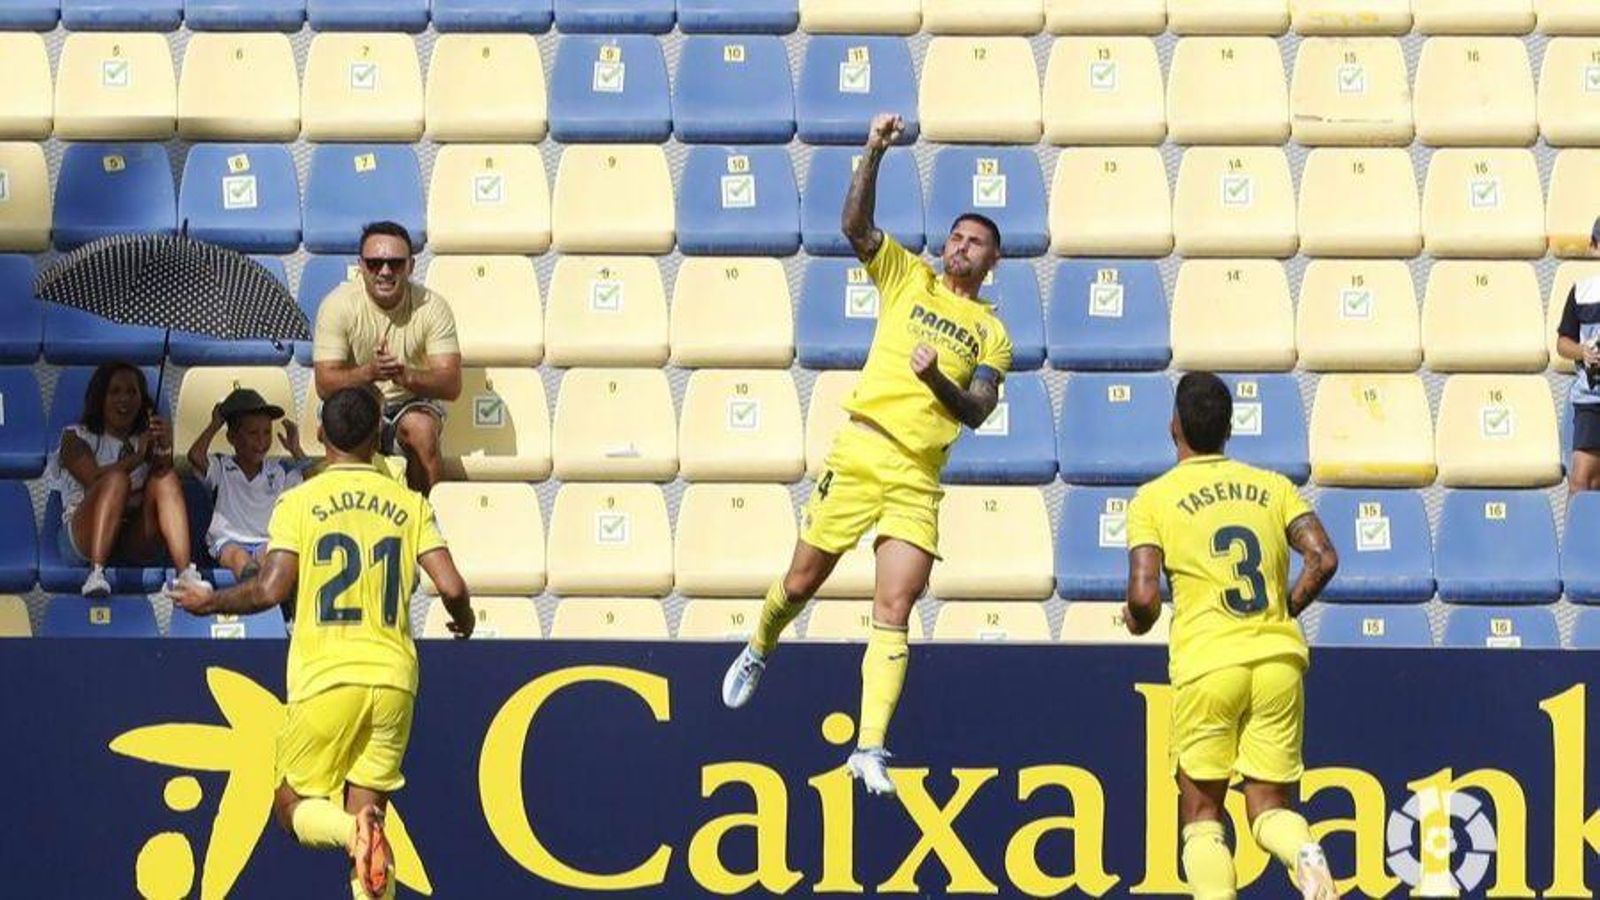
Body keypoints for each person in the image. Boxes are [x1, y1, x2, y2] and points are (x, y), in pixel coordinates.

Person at [720, 112, 1014, 796]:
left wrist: (935, 376)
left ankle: (870, 746)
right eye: (958, 237)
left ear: (994, 260)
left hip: (916, 473)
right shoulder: (908, 276)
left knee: (895, 606)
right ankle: (761, 644)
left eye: (976, 243)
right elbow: (854, 227)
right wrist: (874, 150)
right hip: (861, 450)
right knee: (799, 584)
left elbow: (975, 410)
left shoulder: (992, 334)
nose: (962, 247)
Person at [169, 386, 475, 899]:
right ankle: (363, 832)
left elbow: (270, 589)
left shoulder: (299, 502)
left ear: (318, 434)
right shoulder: (407, 503)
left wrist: (210, 603)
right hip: (395, 679)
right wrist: (462, 618)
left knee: (291, 805)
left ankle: (349, 832)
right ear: (376, 435)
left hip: (326, 677)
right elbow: (452, 587)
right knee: (370, 812)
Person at [1122, 372, 1340, 900]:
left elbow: (1145, 597)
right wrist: (1284, 607)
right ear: (1228, 429)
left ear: (1174, 425)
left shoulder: (1153, 499)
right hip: (1277, 662)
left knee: (1201, 817)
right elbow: (1323, 557)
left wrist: (1135, 620)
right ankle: (1304, 853)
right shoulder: (1273, 487)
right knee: (1269, 810)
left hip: (1208, 665)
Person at [313, 221, 462, 494]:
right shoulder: (338, 305)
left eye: (395, 263)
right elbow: (324, 384)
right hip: (355, 399)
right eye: (374, 263)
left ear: (411, 266)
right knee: (342, 426)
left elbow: (451, 384)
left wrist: (405, 376)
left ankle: (429, 521)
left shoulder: (433, 307)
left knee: (422, 429)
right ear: (360, 265)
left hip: (410, 402)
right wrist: (369, 373)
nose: (384, 271)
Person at [46, 361, 198, 598]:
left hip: (131, 537)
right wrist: (138, 458)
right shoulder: (75, 436)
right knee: (116, 480)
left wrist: (164, 448)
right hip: (83, 536)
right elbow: (95, 481)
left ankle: (186, 576)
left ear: (142, 400)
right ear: (100, 398)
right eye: (114, 391)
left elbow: (161, 495)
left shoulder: (147, 439)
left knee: (166, 477)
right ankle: (96, 574)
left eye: (132, 392)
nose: (124, 399)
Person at [185, 387, 308, 584]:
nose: (261, 441)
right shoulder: (221, 466)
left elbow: (313, 481)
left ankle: (265, 603)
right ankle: (250, 591)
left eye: (266, 432)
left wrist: (296, 449)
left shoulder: (278, 471)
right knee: (238, 558)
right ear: (232, 438)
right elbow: (195, 455)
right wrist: (215, 424)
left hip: (265, 541)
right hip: (227, 541)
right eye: (253, 433)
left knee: (269, 557)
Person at [1556, 216, 1600, 493]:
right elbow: (1563, 343)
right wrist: (1583, 351)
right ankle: (1579, 537)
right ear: (1595, 247)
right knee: (1584, 483)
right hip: (1593, 400)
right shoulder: (1581, 291)